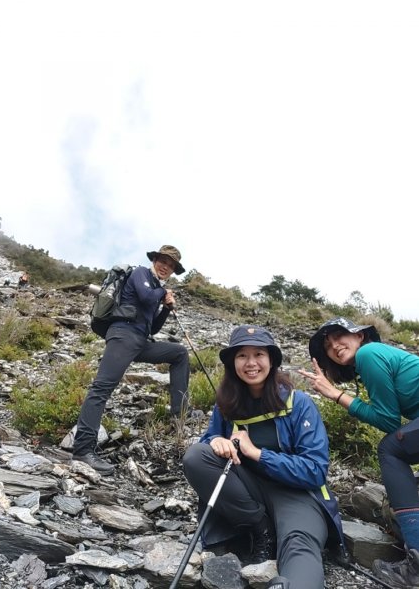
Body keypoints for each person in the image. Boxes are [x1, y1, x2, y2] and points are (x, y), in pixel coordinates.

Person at [183, 325, 346, 589]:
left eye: (259, 354)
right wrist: (217, 441)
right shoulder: (226, 403)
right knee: (197, 456)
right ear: (232, 362)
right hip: (249, 489)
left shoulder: (299, 403)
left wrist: (257, 454)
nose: (251, 363)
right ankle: (262, 530)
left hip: (298, 494)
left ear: (272, 360)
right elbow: (208, 442)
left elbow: (315, 471)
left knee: (299, 543)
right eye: (241, 356)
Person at [299, 317, 419, 588]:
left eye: (340, 336)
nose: (335, 346)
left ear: (360, 336)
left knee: (390, 449)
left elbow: (388, 422)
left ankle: (417, 562)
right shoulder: (373, 360)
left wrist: (334, 394)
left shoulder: (369, 353)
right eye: (328, 346)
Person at [73, 245, 190, 476]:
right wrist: (163, 294)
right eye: (163, 261)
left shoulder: (157, 286)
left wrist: (166, 308)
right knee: (101, 388)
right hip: (123, 335)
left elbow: (153, 327)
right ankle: (83, 451)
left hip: (140, 340)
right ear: (155, 259)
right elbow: (147, 297)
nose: (166, 266)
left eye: (171, 265)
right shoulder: (141, 274)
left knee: (179, 353)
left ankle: (179, 416)